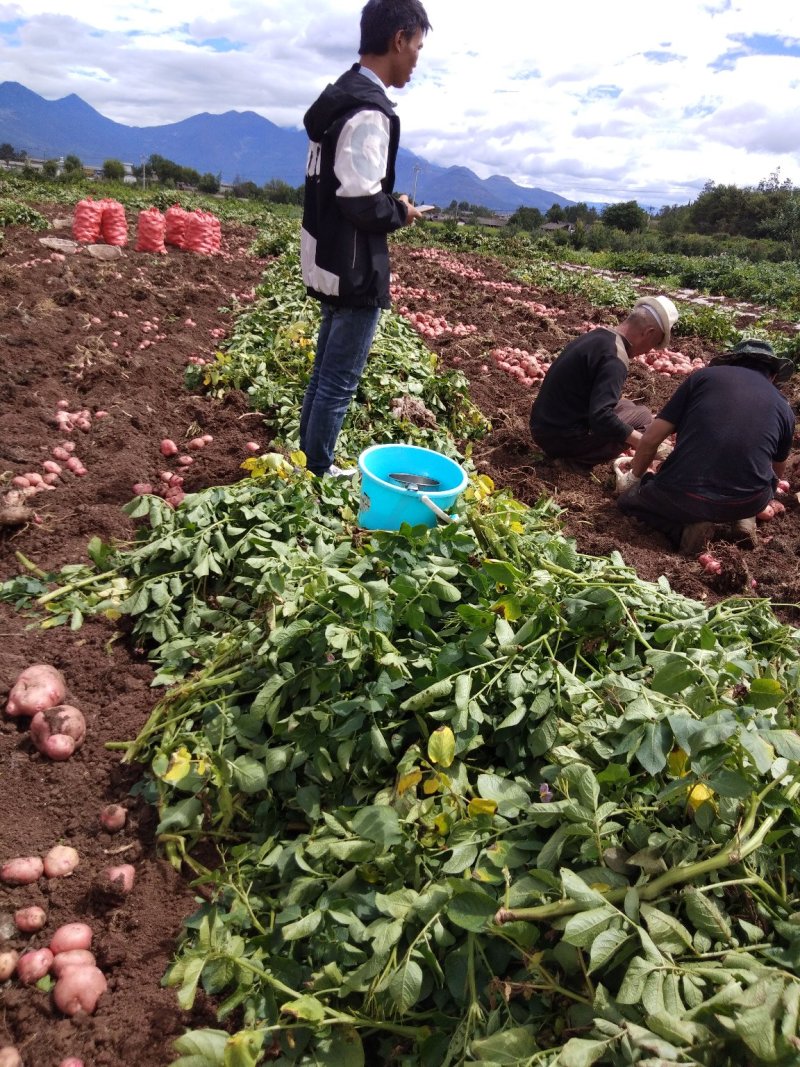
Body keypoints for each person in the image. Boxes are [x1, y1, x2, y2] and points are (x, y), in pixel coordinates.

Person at [298, 0, 430, 477]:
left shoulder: (337, 101)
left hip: (327, 255)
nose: (417, 58)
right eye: (416, 46)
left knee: (324, 371)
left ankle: (307, 459)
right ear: (398, 40)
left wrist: (384, 200)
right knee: (338, 379)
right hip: (353, 266)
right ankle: (317, 469)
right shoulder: (369, 111)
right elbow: (359, 200)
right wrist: (400, 210)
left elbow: (340, 186)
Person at [616, 339, 795, 554]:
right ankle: (742, 519)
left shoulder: (703, 378)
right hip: (749, 500)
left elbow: (652, 439)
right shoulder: (784, 407)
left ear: (731, 362)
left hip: (687, 493)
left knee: (630, 503)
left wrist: (634, 479)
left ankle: (683, 530)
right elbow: (777, 471)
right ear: (773, 376)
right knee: (747, 482)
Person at [529, 295, 679, 471]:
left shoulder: (599, 336)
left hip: (543, 426)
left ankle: (573, 450)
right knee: (643, 420)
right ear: (649, 333)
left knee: (630, 407)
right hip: (559, 438)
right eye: (653, 344)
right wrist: (647, 445)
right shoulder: (615, 358)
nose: (647, 351)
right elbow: (601, 418)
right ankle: (573, 462)